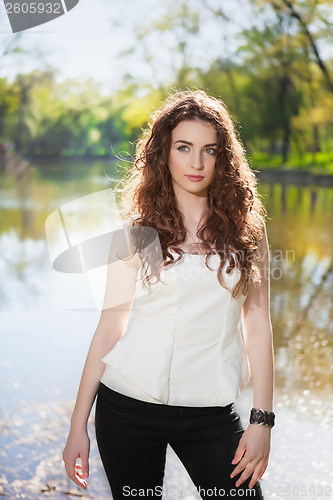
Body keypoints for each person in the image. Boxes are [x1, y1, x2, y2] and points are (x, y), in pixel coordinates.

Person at [62, 89, 275, 499]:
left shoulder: (249, 232)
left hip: (211, 413)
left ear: (223, 158)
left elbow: (258, 323)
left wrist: (262, 419)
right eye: (184, 147)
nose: (196, 163)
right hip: (127, 407)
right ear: (164, 153)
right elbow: (110, 328)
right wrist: (77, 426)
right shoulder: (134, 233)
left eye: (209, 150)